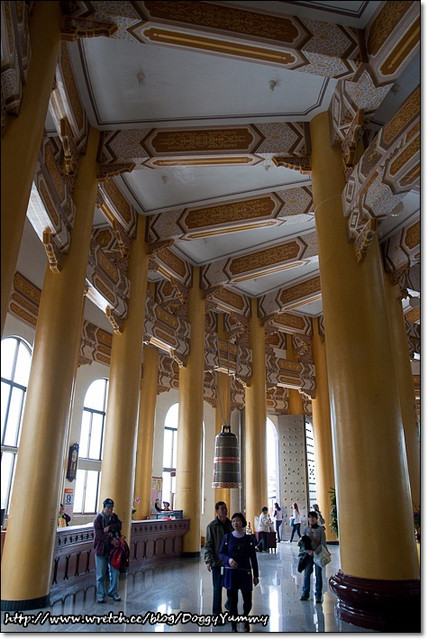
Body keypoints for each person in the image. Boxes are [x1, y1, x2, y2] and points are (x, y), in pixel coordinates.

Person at [219, 512, 259, 632]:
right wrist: (228, 560)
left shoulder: (249, 538)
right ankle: (234, 626)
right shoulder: (227, 537)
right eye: (233, 521)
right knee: (232, 601)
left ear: (242, 522)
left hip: (245, 573)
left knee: (247, 601)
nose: (235, 523)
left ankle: (245, 619)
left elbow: (253, 558)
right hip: (231, 574)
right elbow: (221, 553)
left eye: (237, 521)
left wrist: (256, 575)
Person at [204, 501, 233, 616]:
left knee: (231, 587)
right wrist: (208, 560)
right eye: (222, 509)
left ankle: (229, 605)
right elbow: (208, 544)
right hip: (217, 562)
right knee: (217, 588)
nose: (225, 511)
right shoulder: (212, 526)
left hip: (229, 561)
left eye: (225, 508)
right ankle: (217, 614)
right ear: (217, 511)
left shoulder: (231, 524)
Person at [93, 498, 122, 603]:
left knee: (115, 572)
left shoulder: (114, 517)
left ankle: (113, 592)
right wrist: (111, 540)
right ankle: (100, 594)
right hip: (101, 549)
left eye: (111, 508)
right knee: (100, 574)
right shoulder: (98, 519)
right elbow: (99, 535)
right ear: (104, 507)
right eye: (108, 508)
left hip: (113, 550)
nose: (110, 510)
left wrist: (109, 527)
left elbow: (119, 525)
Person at [300, 511, 327, 603]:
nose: (311, 519)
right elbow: (303, 543)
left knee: (318, 574)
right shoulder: (306, 529)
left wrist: (315, 552)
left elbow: (323, 543)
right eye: (310, 517)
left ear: (316, 519)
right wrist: (308, 551)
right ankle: (305, 593)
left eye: (313, 517)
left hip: (318, 555)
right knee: (307, 573)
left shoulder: (320, 530)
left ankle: (318, 594)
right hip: (308, 555)